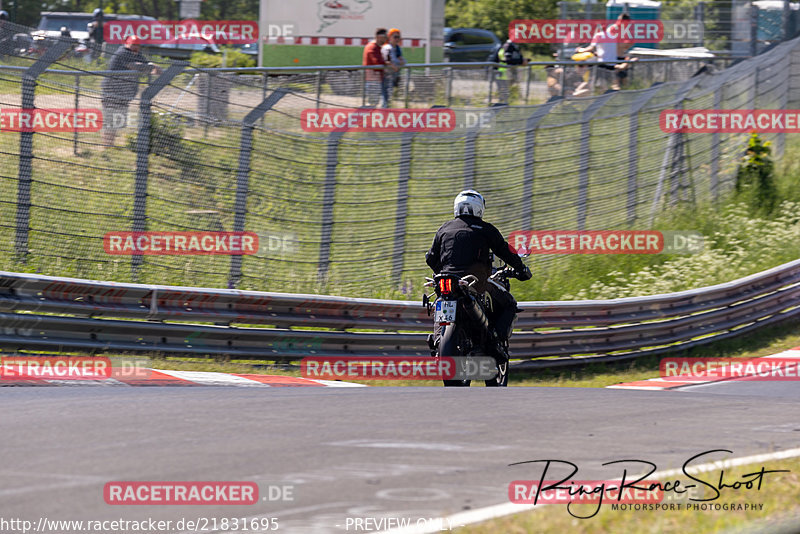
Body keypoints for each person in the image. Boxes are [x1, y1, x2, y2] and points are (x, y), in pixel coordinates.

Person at [425, 190, 532, 356]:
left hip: (445, 282)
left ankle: (438, 339)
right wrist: (521, 268)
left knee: (441, 299)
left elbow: (430, 258)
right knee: (509, 304)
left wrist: (442, 271)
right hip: (475, 282)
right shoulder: (485, 229)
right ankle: (496, 340)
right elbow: (505, 252)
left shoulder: (444, 229)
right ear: (479, 208)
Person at [101, 35, 161, 146]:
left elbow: (147, 66)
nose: (136, 47)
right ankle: (107, 146)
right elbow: (135, 66)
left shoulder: (137, 55)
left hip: (124, 94)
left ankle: (110, 145)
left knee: (117, 121)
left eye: (138, 45)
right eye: (133, 44)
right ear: (127, 44)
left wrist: (154, 67)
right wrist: (151, 66)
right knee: (110, 120)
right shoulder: (123, 53)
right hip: (111, 91)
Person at [575, 13, 635, 91]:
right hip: (611, 58)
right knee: (613, 80)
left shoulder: (626, 30)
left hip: (617, 57)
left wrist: (623, 46)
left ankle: (621, 94)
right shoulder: (613, 29)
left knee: (622, 78)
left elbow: (630, 42)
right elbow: (609, 44)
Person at [362, 28, 389, 107]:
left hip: (376, 80)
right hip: (372, 81)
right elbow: (376, 63)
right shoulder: (372, 47)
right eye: (385, 37)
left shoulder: (378, 47)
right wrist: (388, 64)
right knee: (372, 106)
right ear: (379, 37)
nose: (386, 39)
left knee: (374, 105)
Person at [382, 28, 405, 95]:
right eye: (395, 37)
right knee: (386, 96)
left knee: (393, 95)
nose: (397, 39)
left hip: (395, 76)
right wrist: (395, 65)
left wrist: (401, 61)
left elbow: (402, 59)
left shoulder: (397, 48)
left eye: (398, 37)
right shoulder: (387, 47)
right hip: (386, 76)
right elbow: (387, 60)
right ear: (389, 37)